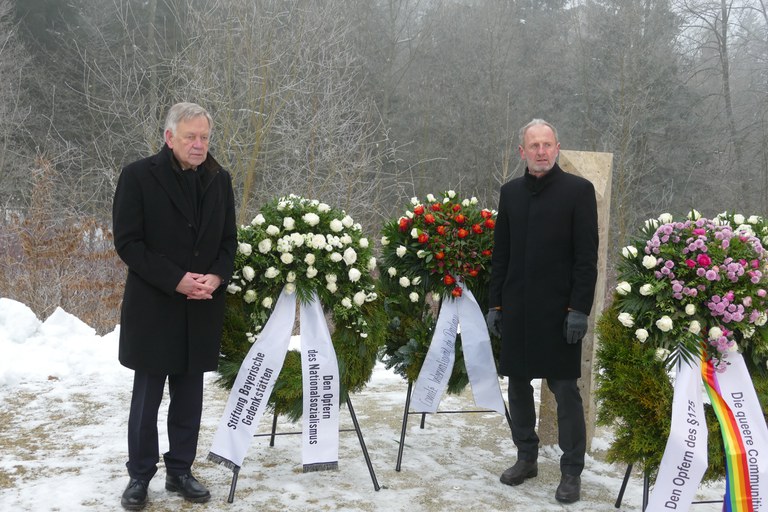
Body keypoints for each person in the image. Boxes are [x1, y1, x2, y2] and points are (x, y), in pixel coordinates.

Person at [113, 102, 237, 510]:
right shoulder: (137, 176)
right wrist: (176, 280)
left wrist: (216, 277)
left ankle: (180, 470)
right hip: (155, 307)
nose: (200, 145)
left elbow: (228, 243)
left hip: (201, 306)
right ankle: (139, 476)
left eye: (205, 137)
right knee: (146, 400)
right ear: (170, 138)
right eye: (191, 137)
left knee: (189, 398)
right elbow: (128, 243)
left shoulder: (220, 181)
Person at [486, 119, 598, 504]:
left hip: (561, 313)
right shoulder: (511, 193)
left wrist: (579, 309)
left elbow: (587, 259)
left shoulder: (579, 192)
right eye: (533, 145)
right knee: (517, 385)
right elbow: (501, 254)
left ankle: (571, 471)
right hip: (517, 309)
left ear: (557, 148)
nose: (540, 151)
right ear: (522, 151)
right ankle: (526, 458)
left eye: (546, 144)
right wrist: (495, 303)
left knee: (565, 390)